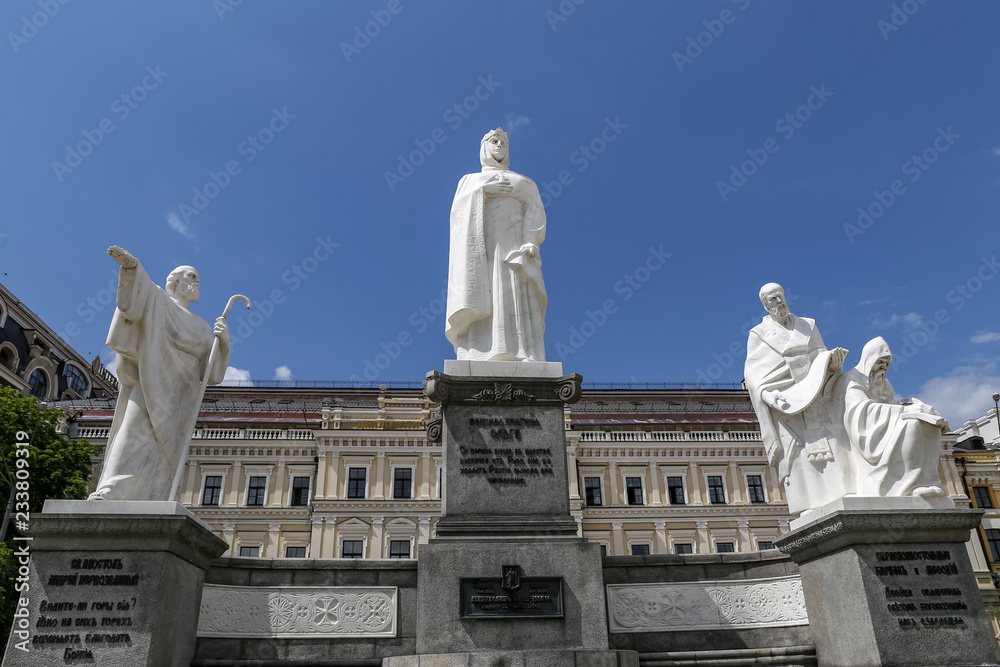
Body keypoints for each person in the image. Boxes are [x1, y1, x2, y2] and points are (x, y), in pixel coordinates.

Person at [89, 246, 230, 501]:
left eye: (197, 277)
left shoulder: (202, 326)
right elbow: (138, 296)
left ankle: (157, 495)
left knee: (164, 447)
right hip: (154, 373)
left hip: (183, 389)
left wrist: (224, 344)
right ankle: (112, 488)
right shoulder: (160, 302)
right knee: (133, 430)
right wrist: (132, 268)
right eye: (191, 276)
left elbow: (208, 374)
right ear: (174, 283)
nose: (197, 281)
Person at [744, 283, 851, 515]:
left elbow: (820, 354)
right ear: (765, 304)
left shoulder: (808, 325)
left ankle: (838, 496)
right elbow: (753, 374)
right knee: (798, 454)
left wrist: (832, 362)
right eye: (772, 299)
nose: (779, 302)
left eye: (780, 297)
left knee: (831, 446)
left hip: (817, 399)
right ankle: (808, 507)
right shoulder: (759, 334)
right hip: (786, 404)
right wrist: (766, 393)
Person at [446, 128, 547, 362]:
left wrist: (531, 240)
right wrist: (484, 190)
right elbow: (458, 213)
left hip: (515, 247)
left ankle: (523, 350)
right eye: (494, 141)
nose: (499, 145)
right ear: (484, 147)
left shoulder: (524, 182)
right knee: (485, 290)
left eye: (503, 142)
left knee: (516, 290)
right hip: (482, 250)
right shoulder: (470, 180)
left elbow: (535, 210)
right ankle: (476, 351)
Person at [836, 336, 948, 499]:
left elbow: (893, 406)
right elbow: (861, 411)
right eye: (880, 361)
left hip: (884, 425)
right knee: (913, 425)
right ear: (869, 359)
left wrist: (918, 412)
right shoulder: (851, 379)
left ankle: (928, 481)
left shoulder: (884, 383)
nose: (883, 366)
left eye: (886, 364)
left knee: (928, 425)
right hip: (863, 432)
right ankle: (910, 484)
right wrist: (904, 412)